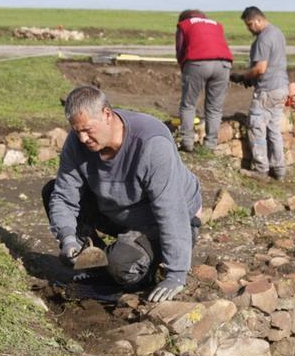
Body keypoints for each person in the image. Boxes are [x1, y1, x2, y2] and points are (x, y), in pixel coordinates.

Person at [44, 86, 202, 303]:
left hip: (161, 220)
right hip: (117, 211)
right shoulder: (77, 141)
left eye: (88, 130)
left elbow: (171, 210)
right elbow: (63, 196)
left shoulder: (151, 143)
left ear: (107, 115)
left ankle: (135, 270)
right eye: (77, 130)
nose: (82, 138)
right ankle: (95, 262)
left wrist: (176, 275)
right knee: (52, 191)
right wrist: (68, 239)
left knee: (122, 266)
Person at [231, 6, 289, 180]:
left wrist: (242, 76)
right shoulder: (277, 33)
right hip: (281, 88)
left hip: (267, 90)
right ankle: (279, 169)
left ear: (258, 20)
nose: (249, 28)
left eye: (249, 24)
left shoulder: (263, 38)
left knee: (256, 126)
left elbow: (260, 68)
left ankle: (260, 169)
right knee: (273, 129)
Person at [175, 9, 233, 152]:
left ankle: (187, 143)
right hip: (224, 64)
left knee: (188, 104)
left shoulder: (184, 24)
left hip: (197, 62)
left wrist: (185, 68)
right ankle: (210, 145)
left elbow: (180, 48)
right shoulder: (216, 24)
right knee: (214, 107)